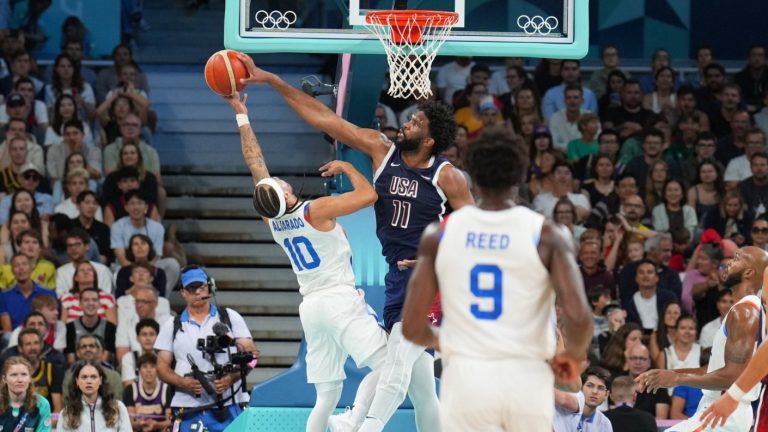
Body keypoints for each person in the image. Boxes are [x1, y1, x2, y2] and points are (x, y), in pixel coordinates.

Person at [236, 54, 473, 432]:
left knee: (395, 358)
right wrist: (272, 80)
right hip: (397, 276)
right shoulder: (382, 149)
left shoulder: (449, 177)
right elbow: (324, 119)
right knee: (422, 384)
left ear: (429, 140)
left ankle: (362, 424)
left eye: (415, 121)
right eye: (409, 117)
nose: (405, 121)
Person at [401, 129, 592, 431]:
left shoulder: (439, 234)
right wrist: (567, 364)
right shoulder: (547, 234)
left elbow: (412, 326)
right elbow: (580, 317)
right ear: (519, 175)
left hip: (468, 376)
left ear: (471, 176)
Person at [225, 91, 389, 432]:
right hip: (338, 298)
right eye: (279, 183)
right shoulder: (314, 210)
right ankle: (353, 420)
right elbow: (369, 195)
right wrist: (347, 166)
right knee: (389, 364)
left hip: (311, 307)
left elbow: (256, 165)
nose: (277, 179)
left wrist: (242, 115)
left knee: (326, 396)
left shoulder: (271, 220)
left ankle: (337, 420)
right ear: (285, 194)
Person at [636, 246, 768, 431]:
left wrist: (677, 379)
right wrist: (673, 375)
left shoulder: (745, 312)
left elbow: (734, 376)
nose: (728, 262)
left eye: (737, 258)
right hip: (720, 410)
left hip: (726, 413)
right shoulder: (745, 309)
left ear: (748, 272)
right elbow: (716, 369)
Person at [154, 266, 257, 432]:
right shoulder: (172, 325)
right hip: (188, 405)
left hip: (231, 401)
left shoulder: (229, 317)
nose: (197, 292)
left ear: (210, 286)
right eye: (191, 288)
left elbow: (252, 356)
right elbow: (161, 368)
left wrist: (232, 377)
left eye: (201, 287)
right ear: (183, 292)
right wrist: (183, 382)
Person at [58, 359, 132, 432]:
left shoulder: (118, 408)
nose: (89, 381)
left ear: (100, 380)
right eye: (84, 377)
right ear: (77, 381)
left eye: (93, 377)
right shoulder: (66, 413)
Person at [0, 356, 53, 431]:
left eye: (24, 374)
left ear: (30, 378)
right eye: (14, 375)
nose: (19, 380)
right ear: (4, 379)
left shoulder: (42, 404)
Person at [553, 366, 614, 432]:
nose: (595, 391)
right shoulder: (565, 409)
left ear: (606, 395)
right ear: (581, 388)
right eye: (590, 385)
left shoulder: (604, 423)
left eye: (601, 388)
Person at [123, 352, 172, 432]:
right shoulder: (131, 389)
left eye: (152, 366)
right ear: (139, 371)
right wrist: (140, 424)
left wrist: (156, 425)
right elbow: (129, 422)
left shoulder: (166, 389)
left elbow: (170, 421)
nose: (148, 371)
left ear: (157, 370)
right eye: (145, 367)